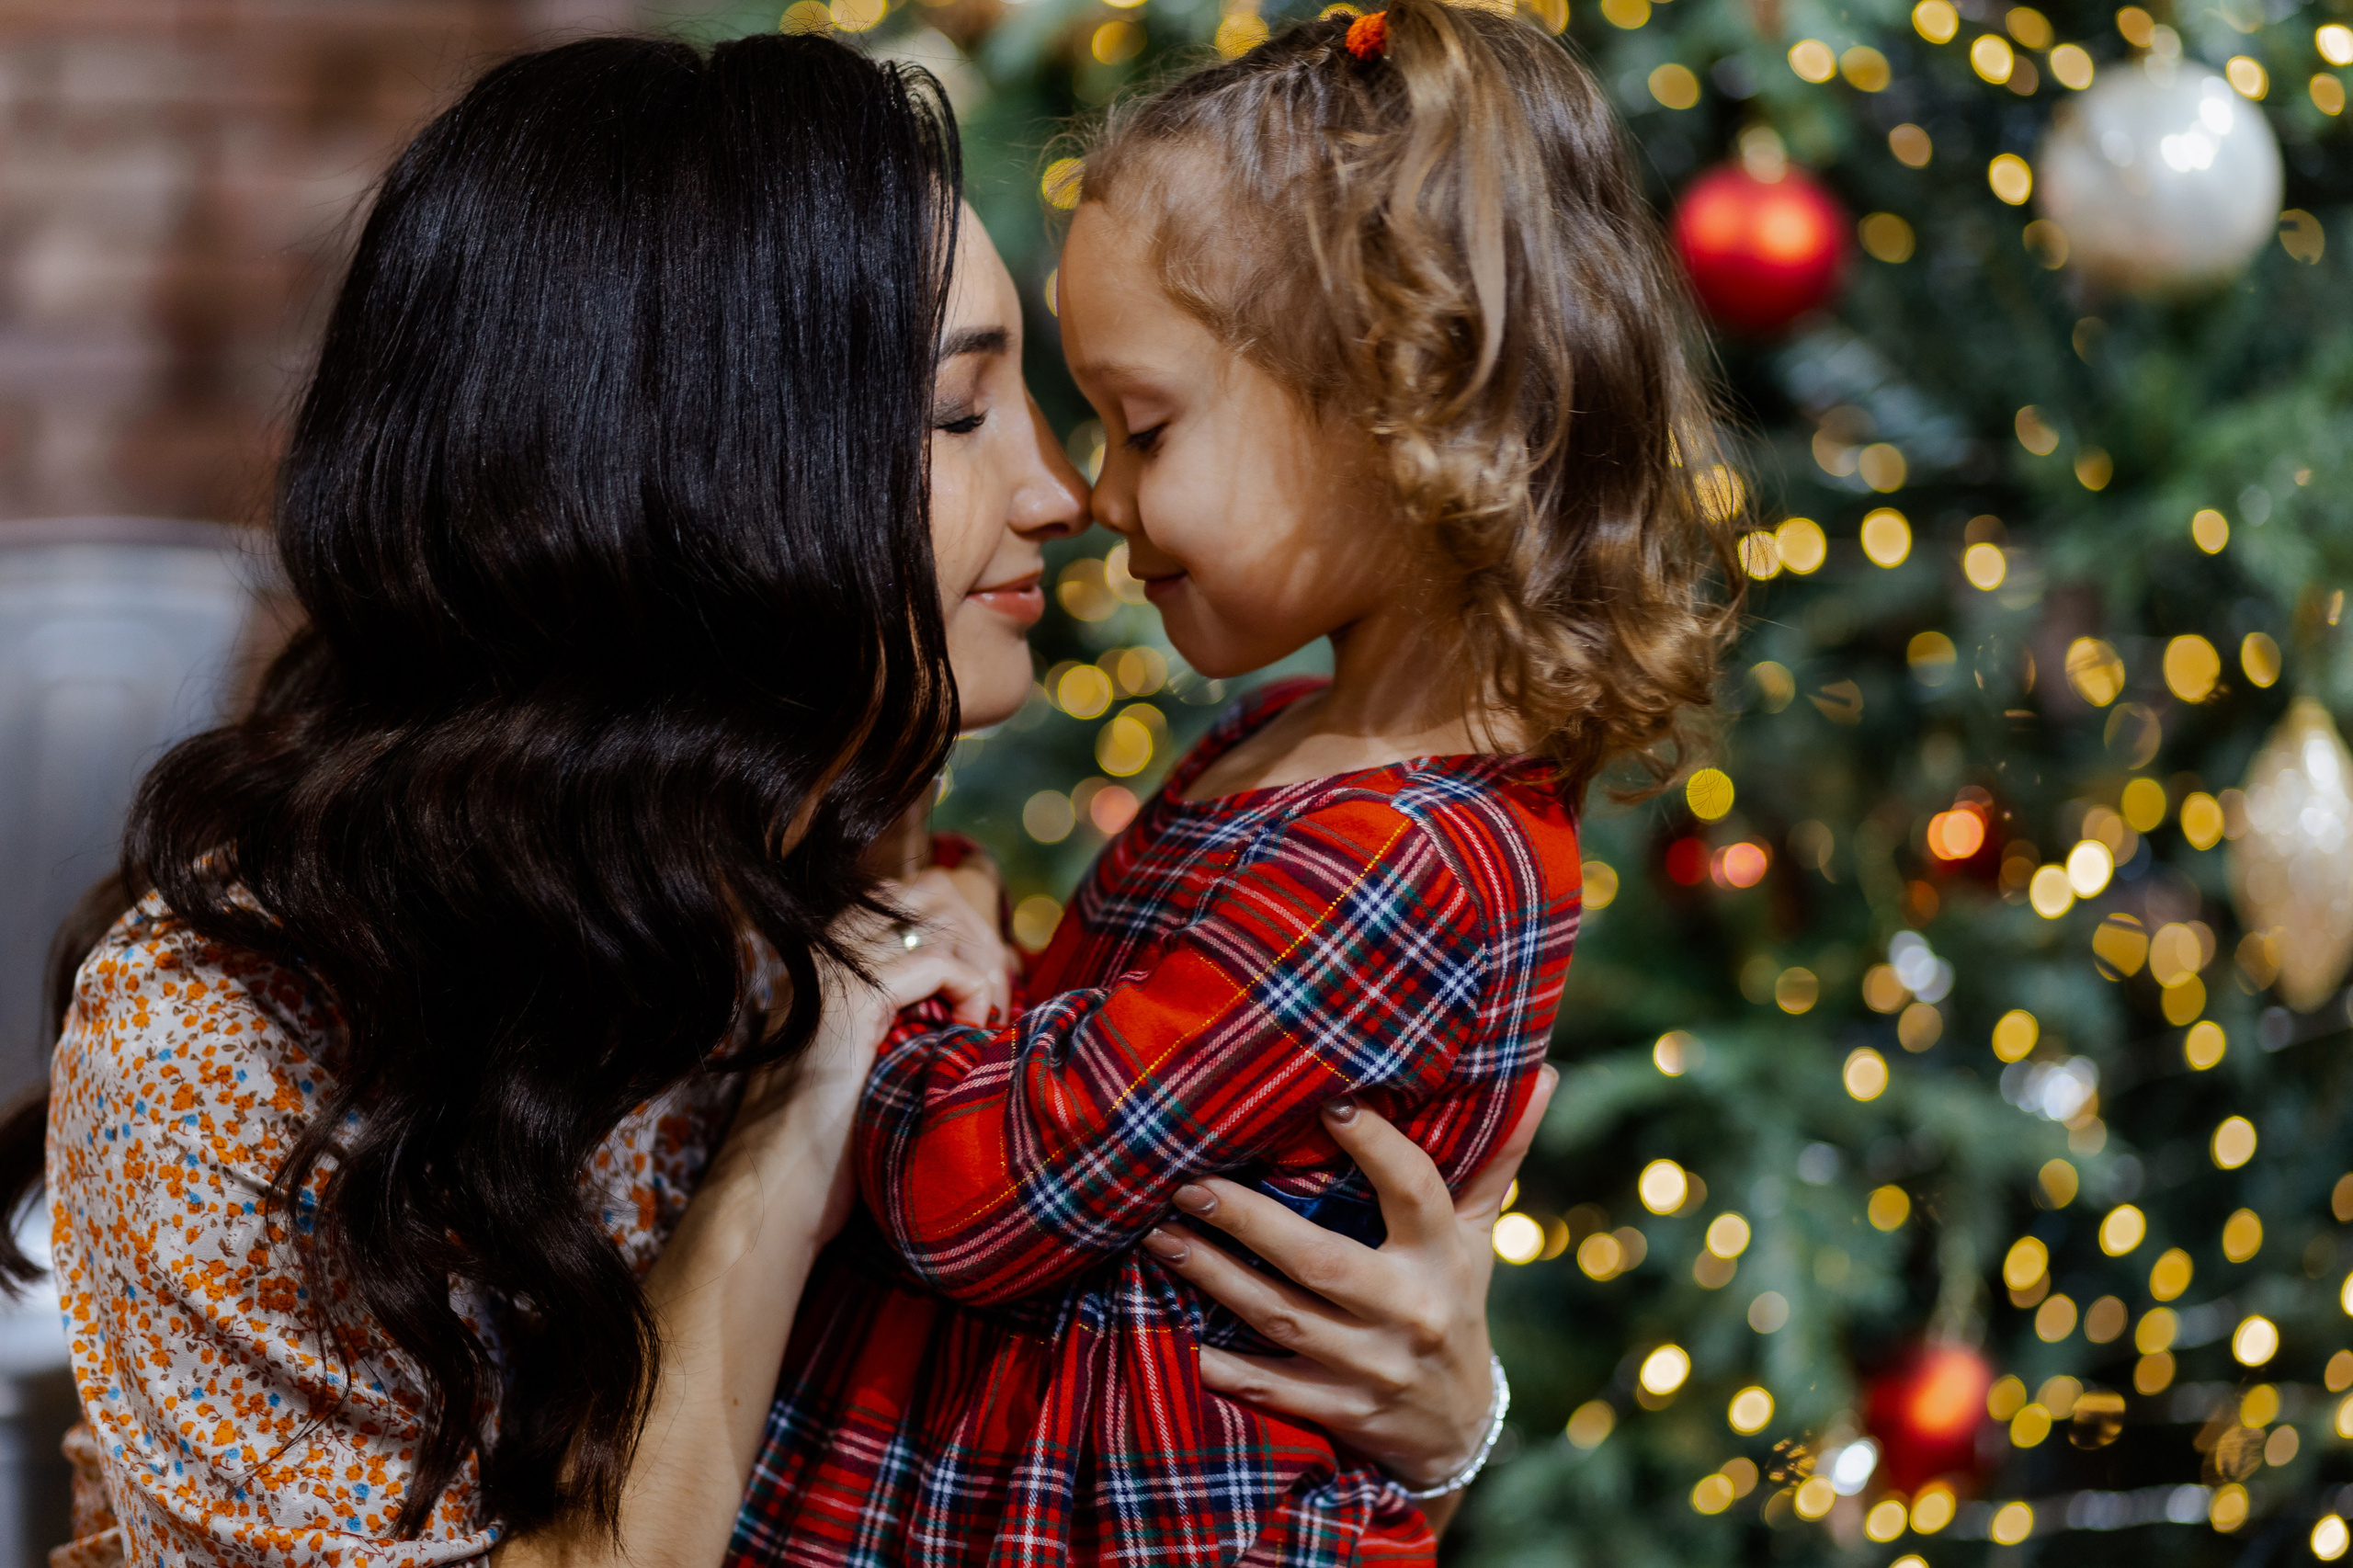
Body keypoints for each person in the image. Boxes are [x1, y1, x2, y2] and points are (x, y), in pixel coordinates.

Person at [0, 32, 1529, 1568]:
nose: (1069, 497)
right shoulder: (224, 1033)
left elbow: (1110, 1463)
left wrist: (1439, 1417)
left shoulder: (845, 863)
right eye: (958, 414)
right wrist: (793, 1136)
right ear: (692, 477)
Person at [728, 5, 1738, 1566]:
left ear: (1394, 406)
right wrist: (983, 955)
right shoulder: (1282, 746)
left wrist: (884, 976)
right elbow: (1091, 1064)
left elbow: (970, 1196)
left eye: (1143, 424)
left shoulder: (1408, 858)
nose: (1091, 495)